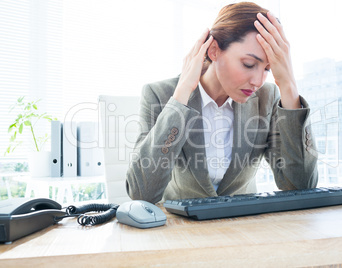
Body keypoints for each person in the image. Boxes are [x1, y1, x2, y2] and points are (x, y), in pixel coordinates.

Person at [126, 2, 318, 204]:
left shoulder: (266, 98)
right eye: (249, 64)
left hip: (246, 228)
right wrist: (181, 96)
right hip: (181, 230)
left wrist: (288, 86)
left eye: (268, 69)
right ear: (214, 51)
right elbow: (142, 193)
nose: (258, 81)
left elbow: (301, 185)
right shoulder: (160, 95)